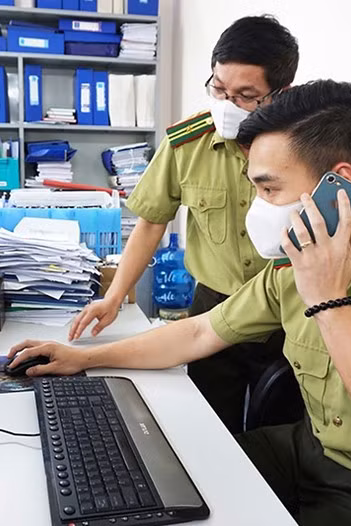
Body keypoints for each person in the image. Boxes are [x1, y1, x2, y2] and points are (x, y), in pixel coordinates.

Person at [8, 80, 351, 525]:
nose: (259, 209)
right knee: (157, 476)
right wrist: (84, 359)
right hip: (314, 450)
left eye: (269, 189)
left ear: (337, 186)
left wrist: (330, 301)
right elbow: (201, 332)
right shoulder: (296, 258)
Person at [68, 15, 300, 433]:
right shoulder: (186, 143)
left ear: (281, 95)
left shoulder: (304, 149)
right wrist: (114, 296)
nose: (228, 104)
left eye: (247, 96)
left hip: (291, 314)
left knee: (282, 430)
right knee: (211, 426)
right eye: (219, 88)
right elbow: (151, 223)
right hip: (214, 306)